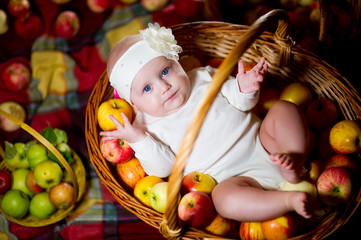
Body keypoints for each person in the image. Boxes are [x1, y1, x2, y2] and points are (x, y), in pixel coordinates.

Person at [100, 23, 313, 222]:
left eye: (165, 71)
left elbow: (240, 103)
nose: (164, 86)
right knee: (224, 201)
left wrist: (245, 89)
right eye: (147, 89)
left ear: (176, 61)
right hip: (233, 180)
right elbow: (162, 169)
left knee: (284, 110)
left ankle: (294, 162)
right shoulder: (146, 127)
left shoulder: (202, 77)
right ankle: (287, 201)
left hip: (264, 143)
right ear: (134, 103)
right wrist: (139, 140)